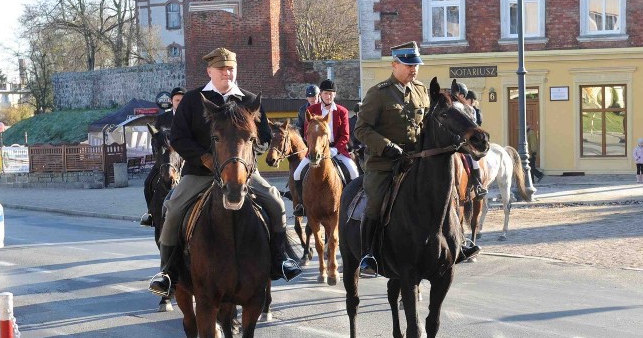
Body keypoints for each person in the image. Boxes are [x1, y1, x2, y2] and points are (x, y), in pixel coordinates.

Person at [148, 47, 301, 297]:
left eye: (230, 69)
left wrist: (246, 158)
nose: (226, 73)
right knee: (173, 207)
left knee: (275, 201)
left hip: (242, 174)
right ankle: (167, 272)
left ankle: (280, 259)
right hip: (201, 172)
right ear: (210, 71)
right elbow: (178, 137)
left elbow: (263, 138)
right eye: (221, 69)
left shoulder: (250, 100)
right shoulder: (192, 100)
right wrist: (204, 157)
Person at [354, 42, 479, 277]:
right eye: (409, 65)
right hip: (386, 163)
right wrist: (386, 146)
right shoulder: (378, 94)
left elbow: (432, 123)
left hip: (418, 160)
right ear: (395, 65)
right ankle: (368, 255)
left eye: (416, 65)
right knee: (375, 201)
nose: (414, 70)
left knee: (448, 193)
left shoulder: (422, 90)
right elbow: (361, 129)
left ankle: (458, 242)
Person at [292, 79, 359, 216]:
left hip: (337, 149)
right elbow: (306, 133)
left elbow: (345, 135)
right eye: (326, 93)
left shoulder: (342, 111)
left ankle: (353, 203)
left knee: (354, 172)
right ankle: (301, 205)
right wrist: (313, 148)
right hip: (315, 150)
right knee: (297, 173)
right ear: (320, 94)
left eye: (331, 94)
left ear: (334, 95)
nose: (329, 96)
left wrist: (335, 149)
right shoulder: (311, 110)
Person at [141, 87, 185, 227]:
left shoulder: (190, 118)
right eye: (177, 100)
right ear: (171, 101)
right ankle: (150, 214)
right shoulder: (162, 118)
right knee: (148, 183)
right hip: (164, 160)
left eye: (182, 100)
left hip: (184, 159)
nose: (180, 102)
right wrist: (157, 154)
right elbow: (155, 139)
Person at [452, 81, 488, 199]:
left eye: (456, 93)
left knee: (473, 158)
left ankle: (477, 183)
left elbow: (472, 127)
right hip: (451, 140)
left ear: (462, 95)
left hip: (464, 141)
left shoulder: (469, 109)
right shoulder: (451, 107)